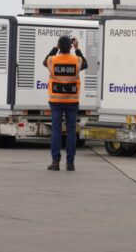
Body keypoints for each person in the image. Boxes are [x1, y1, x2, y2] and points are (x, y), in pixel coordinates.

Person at [43, 35, 87, 171]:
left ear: (59, 46)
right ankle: (70, 163)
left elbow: (44, 61)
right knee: (71, 132)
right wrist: (77, 49)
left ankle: (55, 162)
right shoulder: (77, 60)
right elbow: (85, 64)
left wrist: (55, 47)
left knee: (56, 131)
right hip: (72, 101)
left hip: (56, 101)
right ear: (70, 46)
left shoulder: (52, 60)